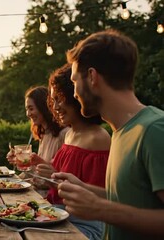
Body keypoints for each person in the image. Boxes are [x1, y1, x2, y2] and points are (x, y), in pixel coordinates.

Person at [54, 29, 164, 239]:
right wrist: (85, 189)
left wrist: (100, 209)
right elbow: (131, 200)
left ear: (92, 77)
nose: (74, 92)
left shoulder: (154, 129)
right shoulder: (120, 131)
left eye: (75, 81)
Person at [36, 64, 110, 239]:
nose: (55, 107)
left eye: (59, 99)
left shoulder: (97, 137)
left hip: (83, 225)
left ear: (75, 97)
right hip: (57, 216)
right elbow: (65, 183)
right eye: (52, 101)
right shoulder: (70, 134)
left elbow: (100, 198)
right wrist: (49, 173)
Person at [7, 86, 67, 166]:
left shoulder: (63, 135)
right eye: (26, 109)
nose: (28, 114)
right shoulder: (43, 134)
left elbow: (56, 172)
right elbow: (37, 173)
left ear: (43, 107)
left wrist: (29, 163)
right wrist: (21, 160)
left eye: (31, 109)